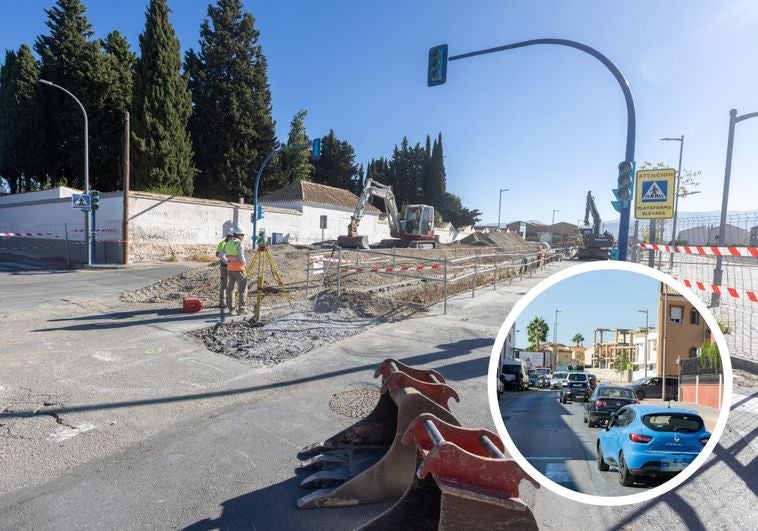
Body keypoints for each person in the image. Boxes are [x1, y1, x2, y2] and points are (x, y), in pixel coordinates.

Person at [219, 227, 248, 315]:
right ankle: (242, 309)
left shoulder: (228, 243)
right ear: (238, 235)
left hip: (230, 269)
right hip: (239, 269)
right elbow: (241, 257)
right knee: (243, 289)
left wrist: (227, 262)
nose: (243, 236)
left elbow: (221, 255)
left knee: (230, 289)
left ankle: (231, 309)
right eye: (242, 235)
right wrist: (245, 264)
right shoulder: (239, 244)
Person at [216, 229, 234, 307]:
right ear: (229, 236)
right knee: (224, 284)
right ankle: (222, 302)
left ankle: (229, 301)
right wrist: (227, 260)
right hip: (225, 266)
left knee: (230, 285)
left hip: (231, 267)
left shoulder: (231, 244)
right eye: (232, 236)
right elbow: (218, 254)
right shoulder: (223, 244)